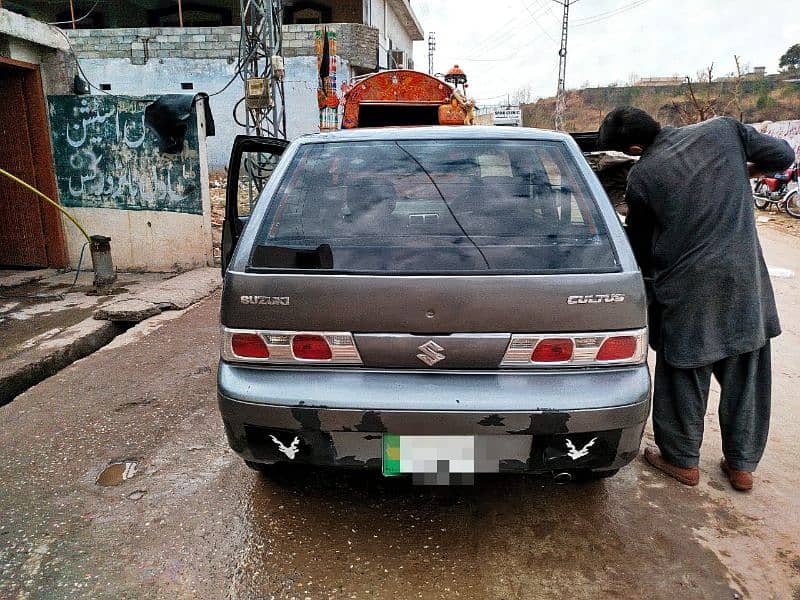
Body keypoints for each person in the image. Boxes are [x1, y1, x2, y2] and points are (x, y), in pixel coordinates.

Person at [598, 107, 795, 492]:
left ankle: (681, 460)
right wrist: (747, 170)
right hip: (744, 284)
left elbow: (641, 247)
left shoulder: (643, 177)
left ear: (635, 147)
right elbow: (783, 156)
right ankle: (742, 467)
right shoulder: (724, 131)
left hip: (685, 292)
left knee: (683, 376)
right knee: (746, 374)